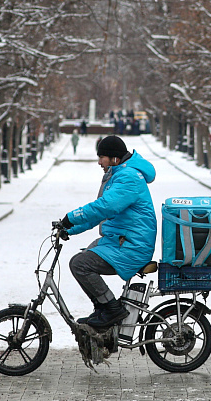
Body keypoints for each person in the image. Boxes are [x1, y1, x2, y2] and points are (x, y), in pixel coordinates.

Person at [60, 135, 157, 328]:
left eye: (102, 157)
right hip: (122, 241)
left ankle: (112, 310)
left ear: (114, 158)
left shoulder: (128, 178)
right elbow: (101, 214)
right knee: (85, 256)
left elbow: (104, 207)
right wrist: (69, 228)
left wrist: (71, 216)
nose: (98, 162)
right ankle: (103, 310)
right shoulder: (120, 174)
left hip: (132, 245)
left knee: (80, 264)